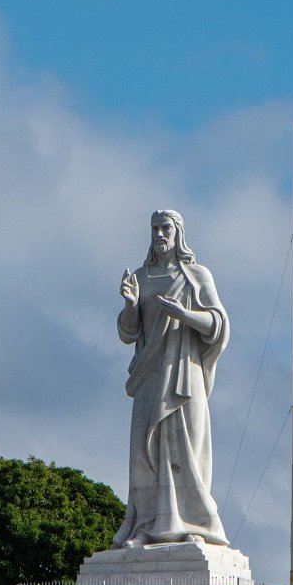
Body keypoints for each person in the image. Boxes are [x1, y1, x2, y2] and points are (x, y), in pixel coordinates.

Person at [113, 209, 230, 548]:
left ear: (178, 233)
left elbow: (218, 325)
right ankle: (146, 525)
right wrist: (131, 305)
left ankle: (196, 523)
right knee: (145, 453)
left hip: (185, 374)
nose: (159, 235)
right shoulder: (141, 276)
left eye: (165, 228)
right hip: (150, 377)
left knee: (187, 449)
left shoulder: (196, 275)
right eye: (154, 229)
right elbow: (129, 333)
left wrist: (185, 315)